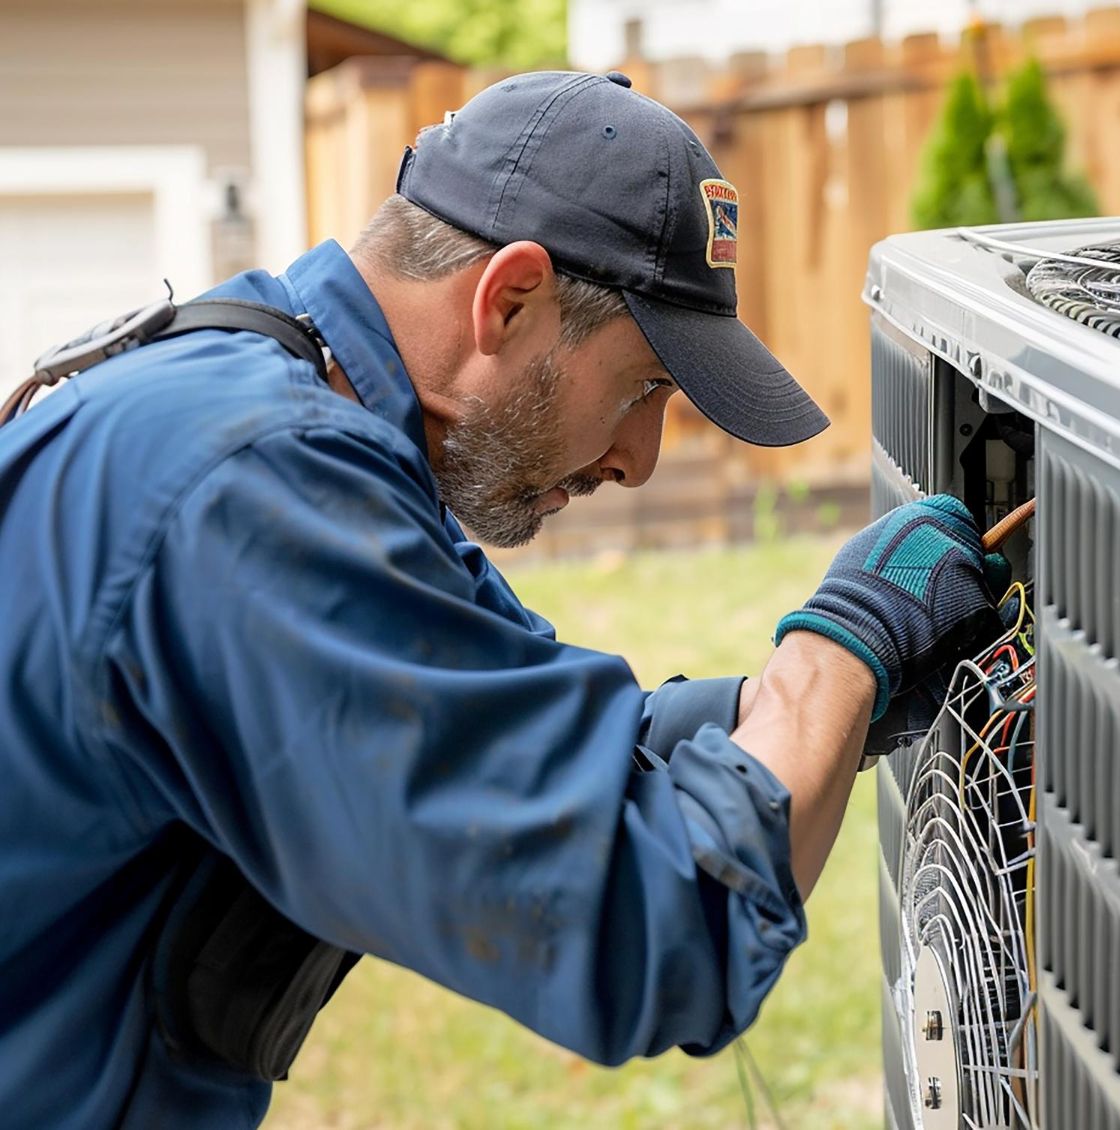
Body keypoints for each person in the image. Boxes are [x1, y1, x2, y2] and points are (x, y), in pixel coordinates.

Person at [0, 71, 1001, 1129]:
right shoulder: (254, 490)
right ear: (508, 298)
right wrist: (837, 650)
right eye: (644, 387)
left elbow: (541, 750)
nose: (641, 460)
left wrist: (821, 702)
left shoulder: (296, 406)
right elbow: (651, 922)